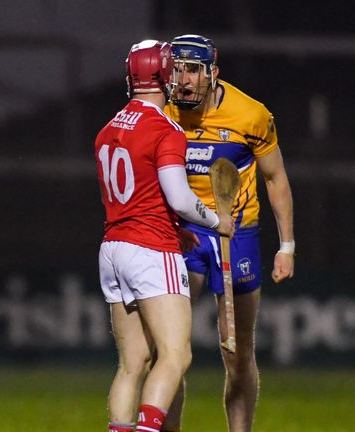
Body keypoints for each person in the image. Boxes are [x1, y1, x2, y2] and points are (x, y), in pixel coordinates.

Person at [95, 39, 235, 432]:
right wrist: (215, 222)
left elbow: (136, 193)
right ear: (161, 74)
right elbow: (180, 198)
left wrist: (178, 231)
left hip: (113, 249)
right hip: (150, 250)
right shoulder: (164, 128)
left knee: (131, 364)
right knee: (175, 357)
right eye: (172, 69)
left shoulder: (107, 129)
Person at [162, 34, 296, 432]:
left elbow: (275, 178)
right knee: (168, 351)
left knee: (237, 354)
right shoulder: (162, 110)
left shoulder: (251, 115)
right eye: (176, 69)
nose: (183, 80)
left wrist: (286, 246)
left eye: (193, 70)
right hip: (183, 231)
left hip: (236, 232)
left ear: (213, 74)